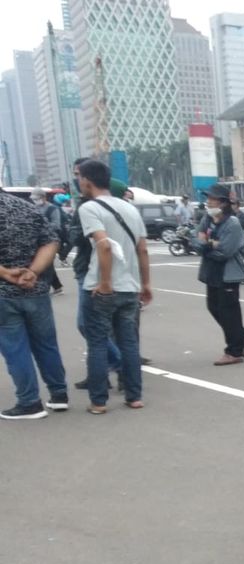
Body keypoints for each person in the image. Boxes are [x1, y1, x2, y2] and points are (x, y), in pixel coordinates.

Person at [74, 159, 152, 414]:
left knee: (97, 343)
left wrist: (105, 283)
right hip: (130, 288)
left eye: (79, 178)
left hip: (101, 288)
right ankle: (134, 396)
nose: (78, 182)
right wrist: (146, 283)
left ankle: (98, 401)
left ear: (87, 180)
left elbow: (104, 245)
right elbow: (142, 249)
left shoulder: (90, 208)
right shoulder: (129, 209)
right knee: (128, 343)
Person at [0, 185, 68, 419]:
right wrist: (33, 272)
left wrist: (6, 273)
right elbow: (51, 241)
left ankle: (29, 402)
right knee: (46, 343)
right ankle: (59, 394)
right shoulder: (26, 208)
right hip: (36, 289)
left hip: (4, 294)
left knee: (15, 348)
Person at [193, 185, 244, 365]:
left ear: (222, 203)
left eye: (212, 199)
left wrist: (207, 245)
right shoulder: (208, 218)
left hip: (228, 273)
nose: (208, 202)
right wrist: (209, 245)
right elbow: (196, 241)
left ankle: (234, 351)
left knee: (229, 312)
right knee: (213, 307)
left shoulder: (232, 223)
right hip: (211, 272)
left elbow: (225, 252)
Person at [30, 189, 65, 294]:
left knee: (47, 265)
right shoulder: (33, 208)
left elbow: (56, 225)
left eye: (37, 199)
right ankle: (57, 286)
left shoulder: (52, 209)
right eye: (34, 199)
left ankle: (48, 287)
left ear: (44, 198)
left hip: (50, 241)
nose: (35, 201)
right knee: (46, 264)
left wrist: (41, 227)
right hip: (37, 241)